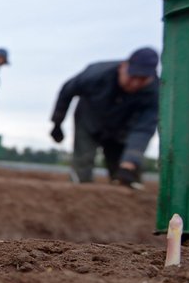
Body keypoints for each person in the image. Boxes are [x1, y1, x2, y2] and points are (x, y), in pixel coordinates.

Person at [49, 47, 159, 189]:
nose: (135, 84)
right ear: (124, 67)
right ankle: (80, 192)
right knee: (83, 166)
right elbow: (67, 90)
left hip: (122, 131)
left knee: (127, 178)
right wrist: (57, 122)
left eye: (142, 79)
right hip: (88, 122)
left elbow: (144, 129)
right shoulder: (97, 74)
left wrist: (130, 162)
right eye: (133, 77)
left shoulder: (154, 93)